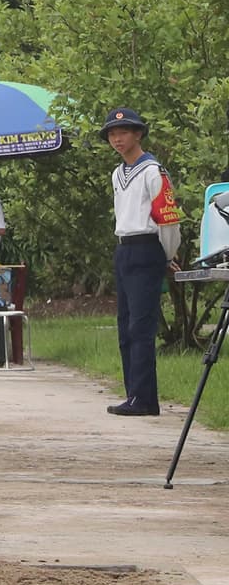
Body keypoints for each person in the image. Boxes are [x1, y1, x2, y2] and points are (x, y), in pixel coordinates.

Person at [102, 108, 182, 416]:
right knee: (125, 325)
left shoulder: (153, 171)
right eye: (112, 134)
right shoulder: (117, 173)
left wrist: (168, 254)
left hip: (147, 246)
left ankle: (145, 398)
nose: (117, 139)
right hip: (124, 248)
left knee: (141, 326)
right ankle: (133, 392)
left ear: (138, 134)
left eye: (123, 132)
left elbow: (167, 218)